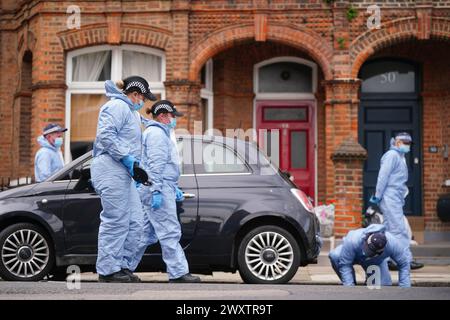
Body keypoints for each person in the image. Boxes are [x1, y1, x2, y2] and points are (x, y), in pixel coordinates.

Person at [91, 76, 156, 283]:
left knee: (136, 222)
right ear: (135, 94)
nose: (143, 103)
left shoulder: (131, 113)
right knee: (116, 220)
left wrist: (136, 168)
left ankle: (123, 265)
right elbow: (106, 136)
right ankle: (108, 270)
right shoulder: (117, 106)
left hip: (124, 171)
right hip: (110, 167)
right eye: (143, 98)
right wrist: (128, 159)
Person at [130, 100, 201, 283]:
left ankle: (123, 266)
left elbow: (158, 166)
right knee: (169, 231)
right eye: (171, 116)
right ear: (162, 115)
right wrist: (157, 190)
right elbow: (155, 166)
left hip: (159, 187)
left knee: (145, 234)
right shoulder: (157, 135)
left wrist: (170, 186)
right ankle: (178, 273)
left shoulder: (157, 133)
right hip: (158, 188)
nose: (173, 120)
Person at [368, 132, 423, 270]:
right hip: (390, 197)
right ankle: (405, 260)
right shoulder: (392, 155)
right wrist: (378, 195)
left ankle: (386, 259)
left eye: (409, 143)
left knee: (389, 229)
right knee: (399, 229)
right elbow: (383, 176)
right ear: (397, 142)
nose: (408, 146)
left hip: (394, 197)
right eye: (405, 142)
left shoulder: (399, 156)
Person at [328, 224, 411, 288]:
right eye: (367, 248)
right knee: (335, 256)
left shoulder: (393, 244)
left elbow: (404, 264)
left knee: (382, 287)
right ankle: (351, 283)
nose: (366, 253)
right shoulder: (353, 239)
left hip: (375, 262)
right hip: (353, 255)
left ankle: (370, 279)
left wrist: (404, 289)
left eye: (371, 252)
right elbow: (345, 264)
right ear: (366, 239)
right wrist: (350, 288)